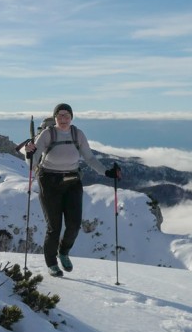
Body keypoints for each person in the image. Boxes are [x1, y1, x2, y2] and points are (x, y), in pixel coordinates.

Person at [25, 103, 121, 277]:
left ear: (71, 117)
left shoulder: (78, 134)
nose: (63, 119)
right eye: (60, 115)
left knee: (74, 225)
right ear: (55, 117)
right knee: (54, 226)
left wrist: (107, 172)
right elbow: (33, 162)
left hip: (73, 182)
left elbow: (89, 158)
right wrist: (29, 155)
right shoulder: (48, 134)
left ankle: (63, 252)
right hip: (49, 182)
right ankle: (52, 263)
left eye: (66, 116)